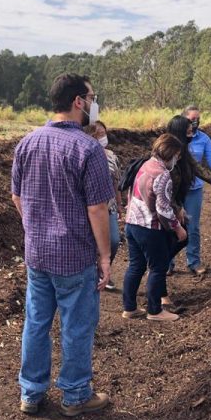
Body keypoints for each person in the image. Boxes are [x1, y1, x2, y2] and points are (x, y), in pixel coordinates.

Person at [11, 73, 114, 417]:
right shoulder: (88, 149)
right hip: (74, 255)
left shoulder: (27, 143)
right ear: (78, 102)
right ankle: (75, 394)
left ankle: (31, 392)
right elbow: (98, 208)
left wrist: (33, 228)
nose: (94, 103)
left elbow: (17, 196)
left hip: (37, 254)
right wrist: (104, 255)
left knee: (36, 322)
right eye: (92, 96)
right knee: (76, 325)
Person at [122, 133, 187, 322]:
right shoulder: (162, 174)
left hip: (132, 223)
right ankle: (155, 310)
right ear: (171, 153)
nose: (177, 159)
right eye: (177, 155)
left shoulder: (145, 165)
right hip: (149, 227)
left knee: (136, 266)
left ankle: (130, 308)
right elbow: (163, 209)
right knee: (158, 267)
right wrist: (177, 228)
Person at [168, 109, 211, 276]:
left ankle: (193, 262)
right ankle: (165, 263)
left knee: (191, 228)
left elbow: (199, 169)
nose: (194, 126)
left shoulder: (192, 145)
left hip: (192, 190)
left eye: (197, 120)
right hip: (170, 195)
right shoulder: (166, 148)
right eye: (191, 122)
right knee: (170, 227)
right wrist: (177, 207)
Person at [84, 120, 123, 291]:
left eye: (104, 134)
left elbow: (116, 183)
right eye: (98, 135)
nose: (102, 138)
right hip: (89, 206)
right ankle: (91, 274)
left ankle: (103, 269)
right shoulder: (85, 155)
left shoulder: (112, 157)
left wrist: (120, 205)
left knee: (113, 240)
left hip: (110, 206)